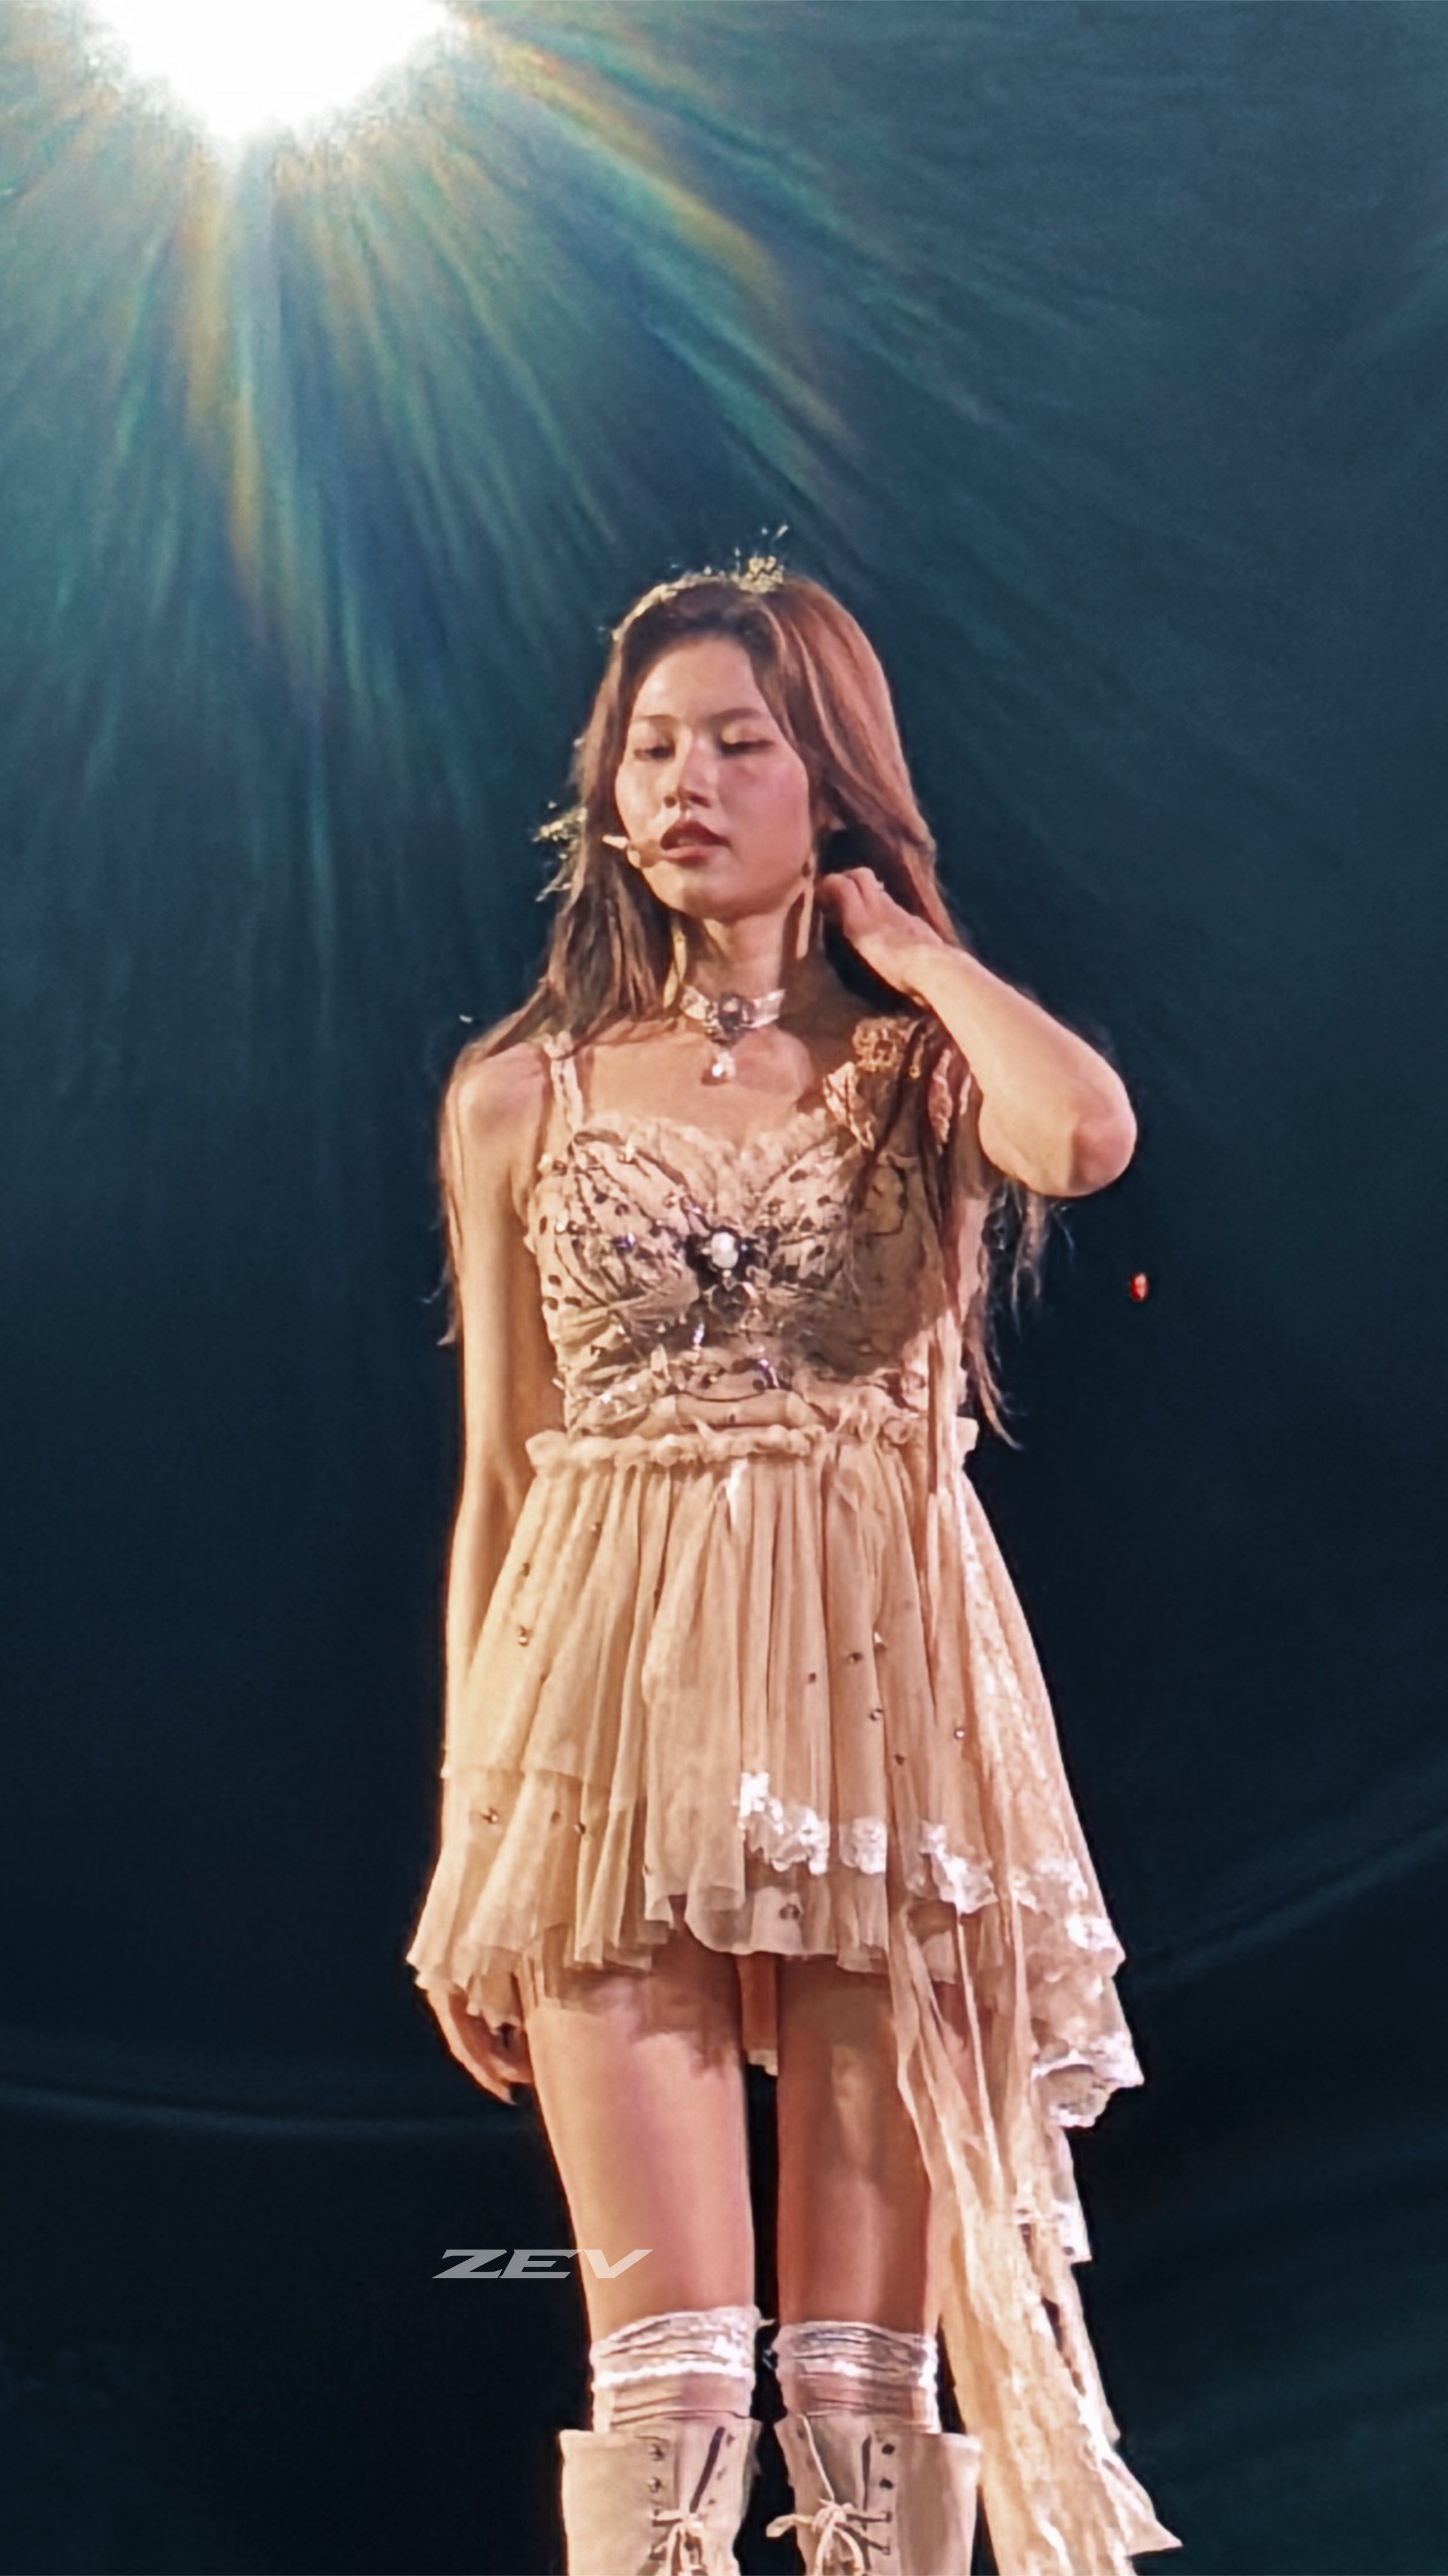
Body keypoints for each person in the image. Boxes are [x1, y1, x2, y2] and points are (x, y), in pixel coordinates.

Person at [405, 560, 1181, 2575]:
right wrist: (470, 1832)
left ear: (827, 778)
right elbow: (499, 1480)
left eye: (740, 742)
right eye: (650, 747)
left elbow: (1087, 1135)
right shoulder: (518, 1093)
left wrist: (906, 949)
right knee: (665, 2383)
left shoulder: (925, 1069)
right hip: (604, 1739)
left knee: (859, 2391)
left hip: (883, 1730)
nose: (684, 782)